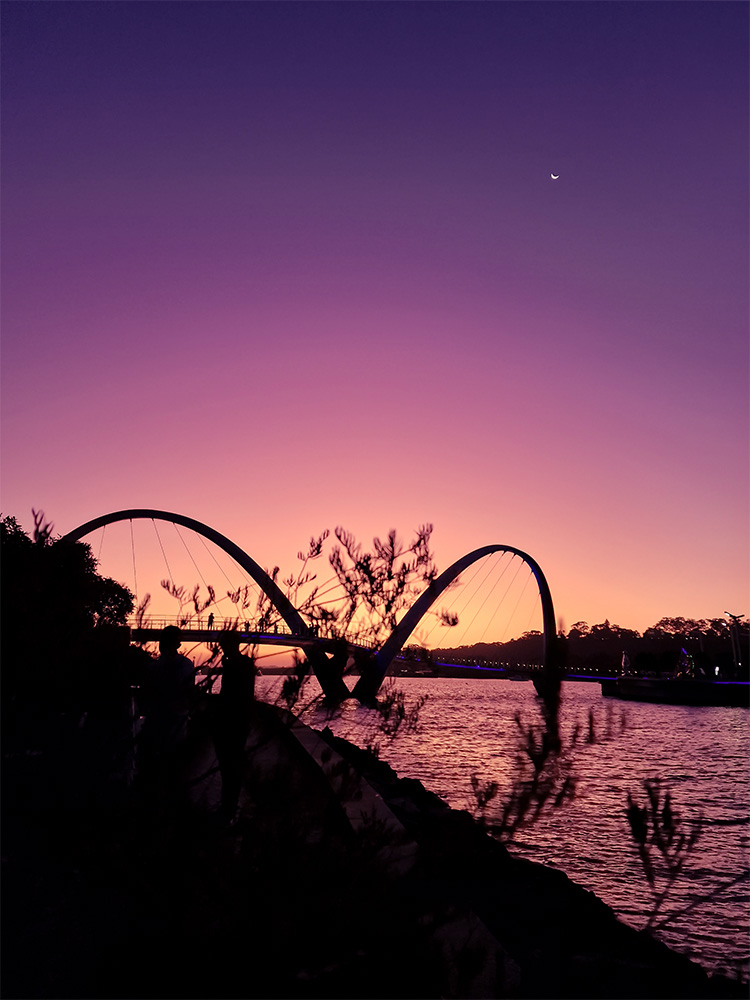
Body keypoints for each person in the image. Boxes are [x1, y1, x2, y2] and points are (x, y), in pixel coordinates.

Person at [136, 625, 195, 802]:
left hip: (156, 722)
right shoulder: (185, 665)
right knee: (175, 768)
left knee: (156, 767)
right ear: (177, 643)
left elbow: (146, 696)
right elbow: (188, 693)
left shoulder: (152, 667)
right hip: (177, 722)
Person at [212, 632, 256, 823]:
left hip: (230, 720)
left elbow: (229, 692)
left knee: (227, 764)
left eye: (223, 644)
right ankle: (230, 805)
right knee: (234, 762)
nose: (221, 647)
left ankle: (228, 807)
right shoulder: (246, 663)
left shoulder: (234, 664)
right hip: (241, 719)